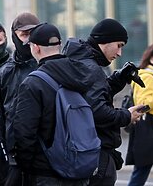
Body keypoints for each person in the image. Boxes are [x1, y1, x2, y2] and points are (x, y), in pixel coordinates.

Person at [62, 18, 144, 186]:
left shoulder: (80, 60)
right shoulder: (92, 68)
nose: (119, 53)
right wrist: (127, 115)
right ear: (104, 41)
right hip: (95, 152)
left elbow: (90, 96)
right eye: (119, 45)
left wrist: (119, 78)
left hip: (81, 149)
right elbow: (97, 111)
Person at [13, 23, 94, 185]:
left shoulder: (33, 83)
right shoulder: (81, 75)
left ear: (35, 48)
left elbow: (24, 131)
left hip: (45, 171)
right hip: (78, 164)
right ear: (60, 45)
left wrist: (26, 167)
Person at [0, 12, 40, 186]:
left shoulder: (47, 67)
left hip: (44, 156)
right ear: (15, 36)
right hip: (12, 157)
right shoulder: (5, 72)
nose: (28, 40)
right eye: (24, 35)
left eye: (33, 34)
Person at [126, 44, 153, 186]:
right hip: (149, 127)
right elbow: (143, 103)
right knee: (142, 169)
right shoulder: (147, 76)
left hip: (148, 129)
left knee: (142, 169)